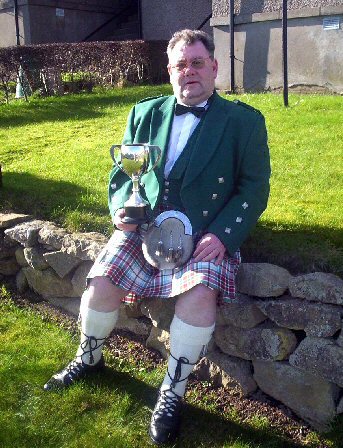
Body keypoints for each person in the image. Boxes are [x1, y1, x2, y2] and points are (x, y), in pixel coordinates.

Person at [44, 29, 271, 445]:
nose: (190, 72)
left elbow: (254, 190)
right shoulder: (145, 113)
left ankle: (171, 392)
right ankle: (88, 357)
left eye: (197, 63)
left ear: (214, 67)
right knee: (101, 281)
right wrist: (120, 210)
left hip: (205, 231)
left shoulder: (244, 122)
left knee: (200, 293)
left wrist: (223, 235)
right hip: (145, 227)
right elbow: (122, 176)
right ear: (170, 72)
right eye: (180, 65)